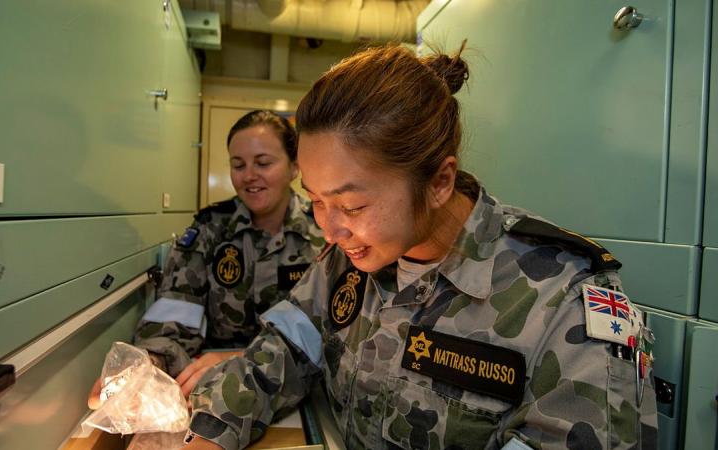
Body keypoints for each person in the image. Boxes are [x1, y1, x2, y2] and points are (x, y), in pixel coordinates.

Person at [182, 45, 658, 450]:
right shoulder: (345, 262)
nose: (328, 231)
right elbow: (282, 352)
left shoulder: (565, 304)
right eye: (316, 201)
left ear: (439, 182)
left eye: (350, 205)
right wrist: (207, 429)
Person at [88, 110, 324, 409]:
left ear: (294, 167)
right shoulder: (209, 230)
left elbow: (334, 331)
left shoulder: (325, 231)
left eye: (263, 163)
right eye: (238, 165)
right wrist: (149, 363)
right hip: (214, 385)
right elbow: (176, 312)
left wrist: (246, 359)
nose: (249, 175)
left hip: (302, 389)